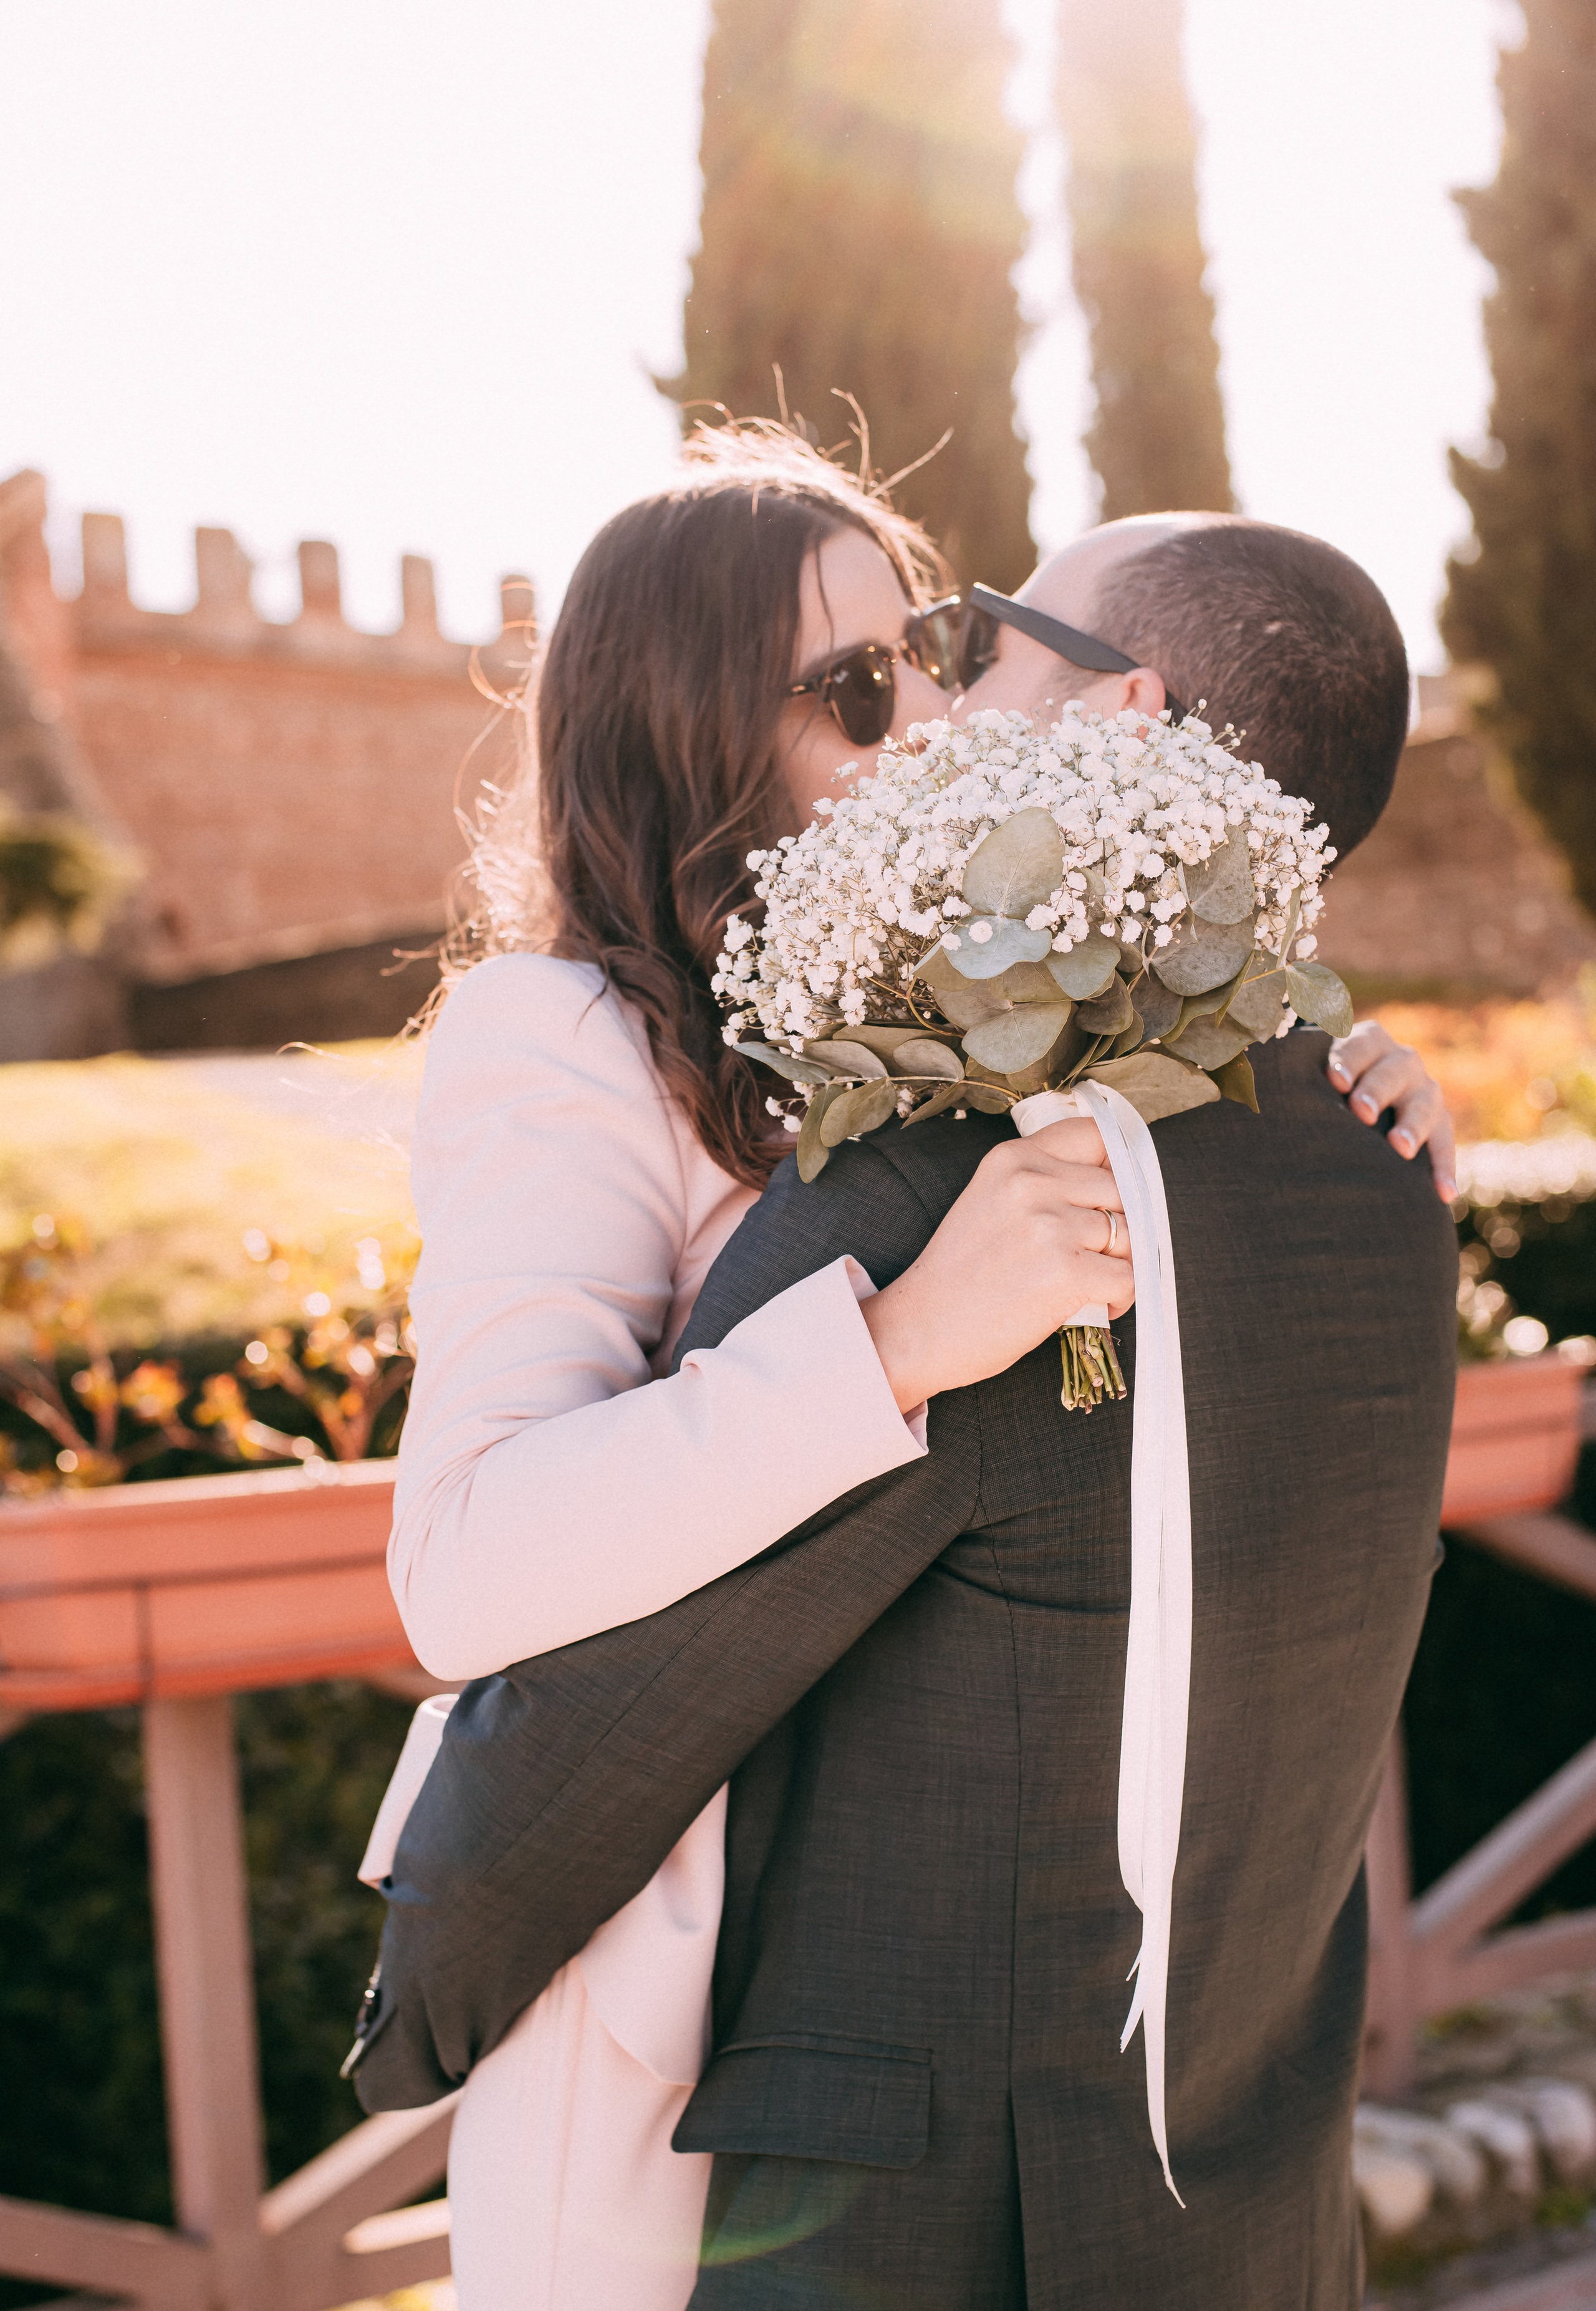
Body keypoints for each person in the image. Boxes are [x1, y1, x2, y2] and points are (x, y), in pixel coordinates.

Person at [355, 463, 1454, 2309]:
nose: (939, 718)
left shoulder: (952, 1029)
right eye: (865, 689)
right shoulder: (567, 1039)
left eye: (942, 656)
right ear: (698, 731)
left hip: (869, 2048)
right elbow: (461, 1560)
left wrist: (1347, 1076)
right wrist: (895, 1345)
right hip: (651, 2022)